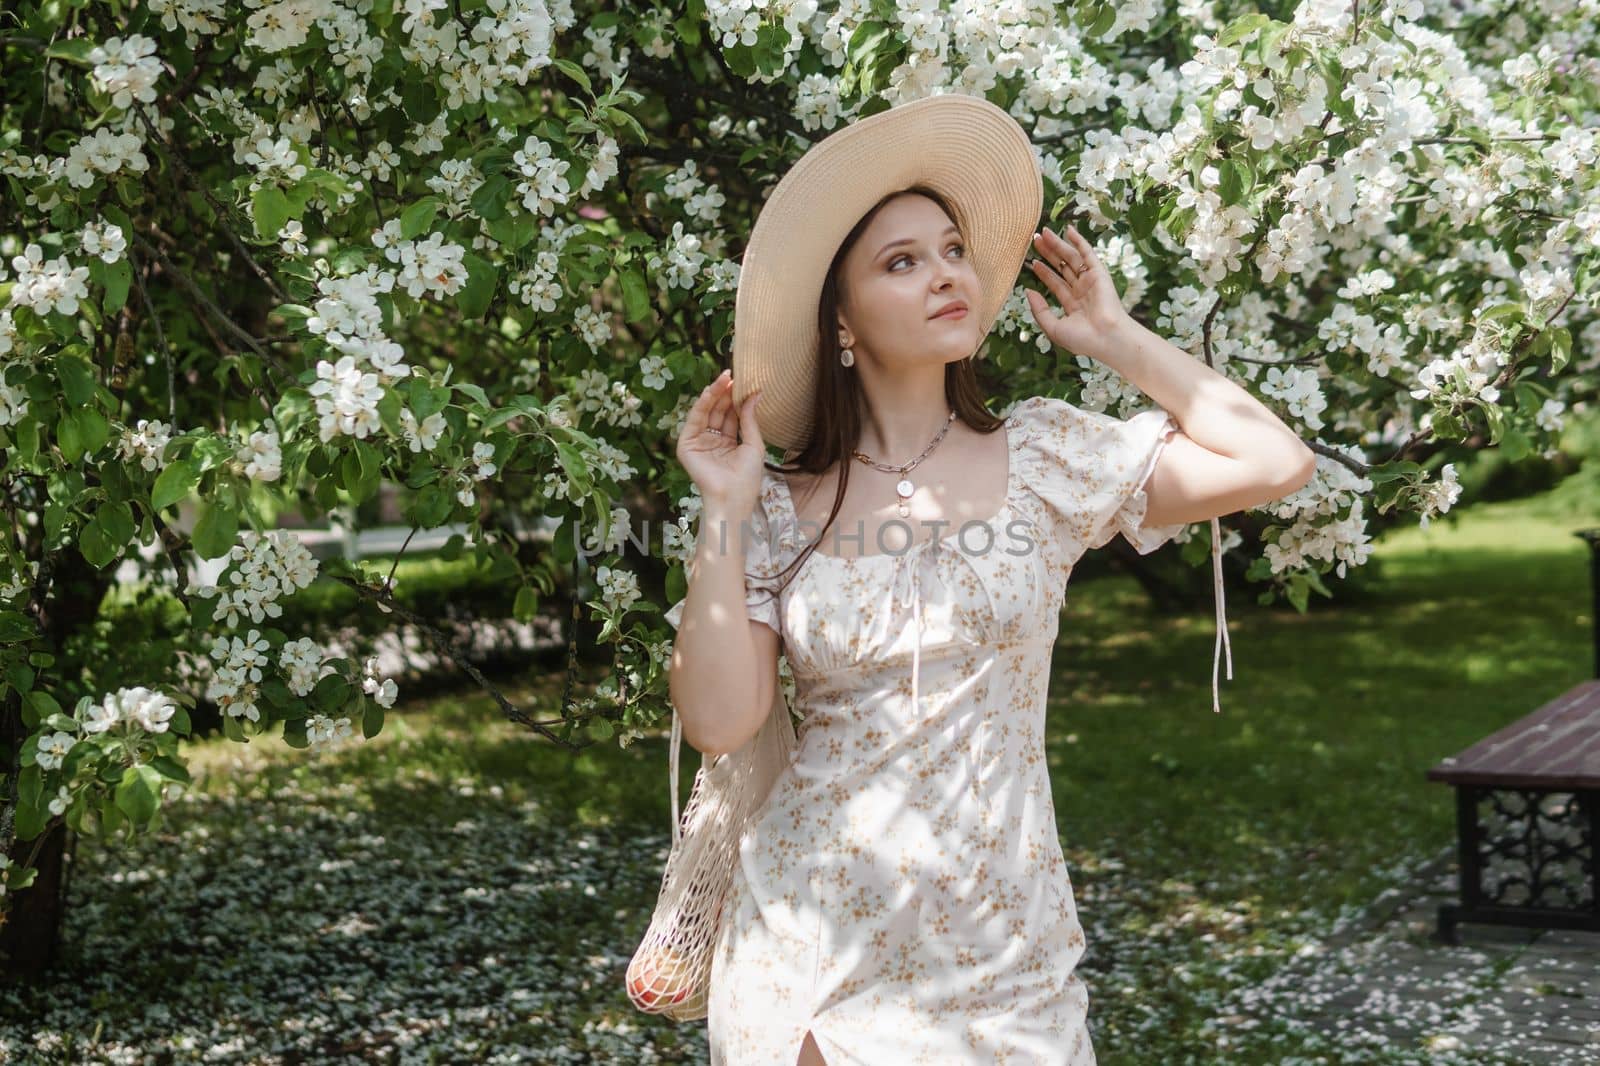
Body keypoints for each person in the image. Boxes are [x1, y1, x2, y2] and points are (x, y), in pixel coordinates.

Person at [665, 93, 1315, 1065]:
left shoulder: (1044, 457)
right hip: (807, 945)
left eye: (952, 249)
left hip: (1002, 951)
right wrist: (720, 507)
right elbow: (719, 721)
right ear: (840, 316)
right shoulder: (774, 504)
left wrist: (1114, 337)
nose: (944, 275)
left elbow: (1274, 460)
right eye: (902, 261)